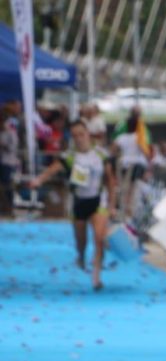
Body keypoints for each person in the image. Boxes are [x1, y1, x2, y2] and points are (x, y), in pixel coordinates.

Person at [28, 120, 118, 291]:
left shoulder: (101, 154)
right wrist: (38, 180)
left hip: (98, 201)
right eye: (75, 135)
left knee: (99, 239)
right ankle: (81, 255)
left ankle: (96, 277)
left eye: (81, 134)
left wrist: (112, 205)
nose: (78, 138)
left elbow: (111, 181)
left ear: (88, 134)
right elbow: (52, 169)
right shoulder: (69, 156)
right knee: (81, 241)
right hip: (79, 203)